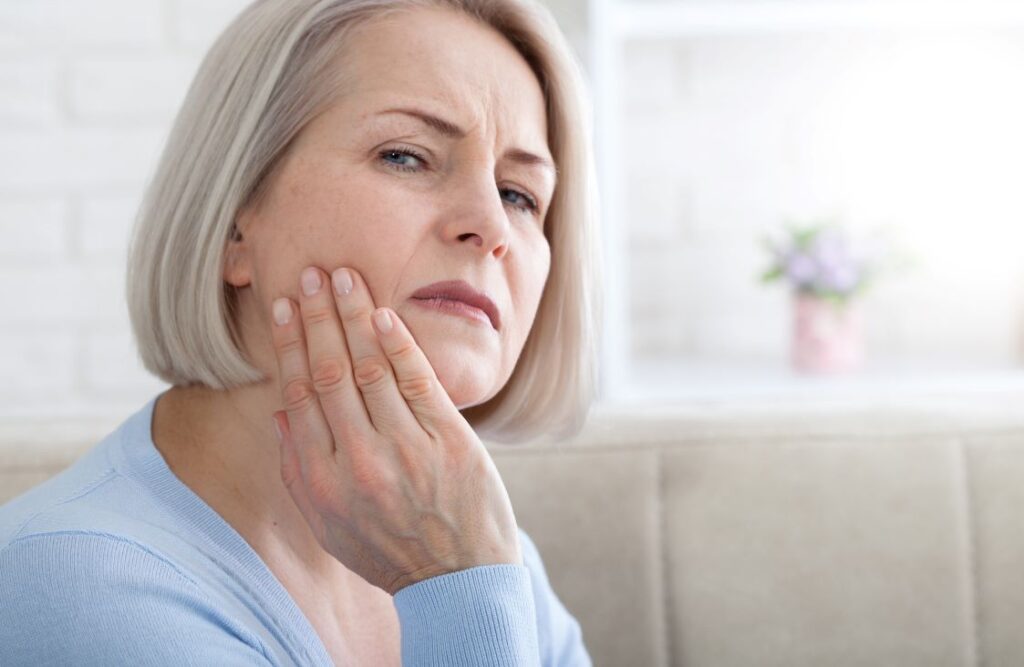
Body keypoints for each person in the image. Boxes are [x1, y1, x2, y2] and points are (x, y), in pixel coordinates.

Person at [0, 0, 601, 664]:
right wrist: (457, 586)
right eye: (407, 156)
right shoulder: (72, 592)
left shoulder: (485, 555)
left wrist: (466, 574)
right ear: (233, 222)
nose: (490, 226)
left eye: (521, 194)